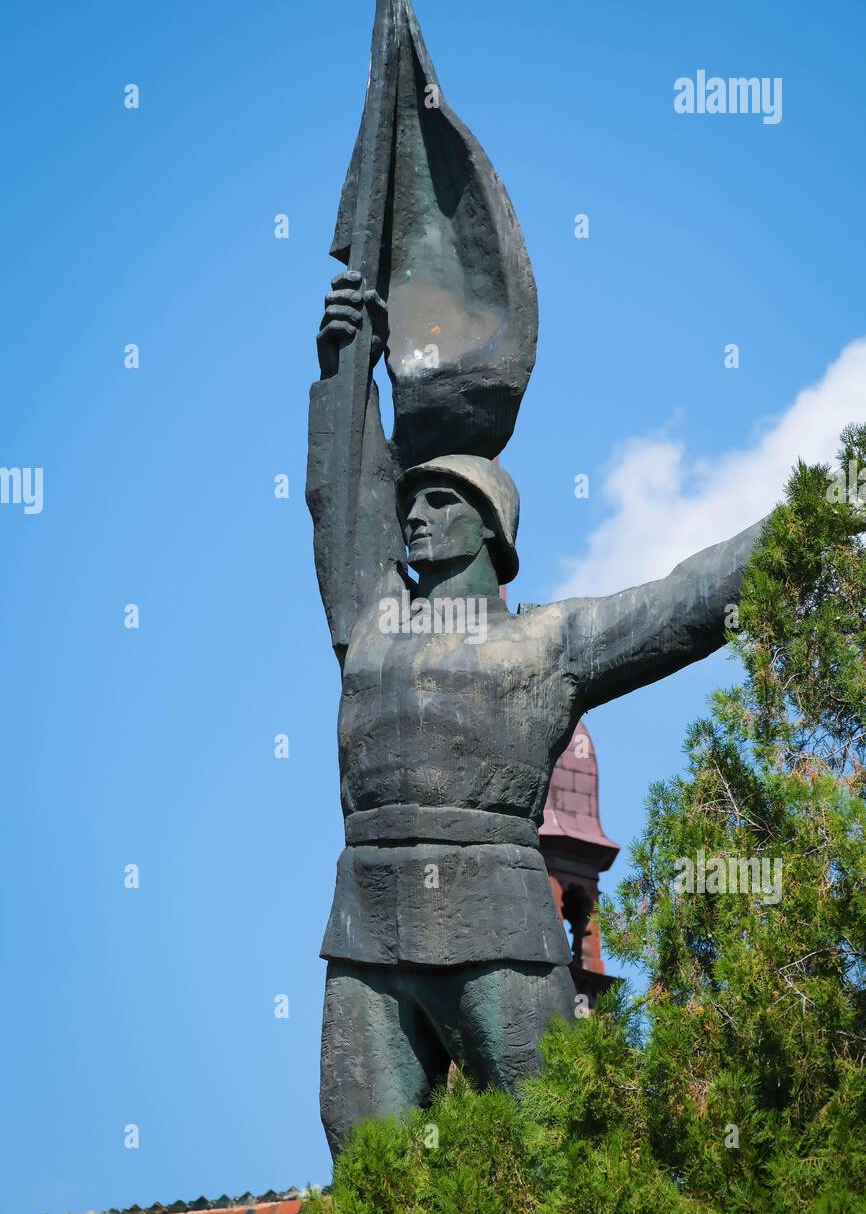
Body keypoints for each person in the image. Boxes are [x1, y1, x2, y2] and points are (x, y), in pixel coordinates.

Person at [307, 270, 764, 1158]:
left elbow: (688, 599)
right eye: (411, 502)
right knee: (365, 1164)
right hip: (368, 927)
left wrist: (815, 514)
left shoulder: (548, 643)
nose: (414, 515)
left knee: (550, 1154)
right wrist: (343, 371)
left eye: (440, 501)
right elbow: (341, 498)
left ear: (491, 529)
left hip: (499, 927)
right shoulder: (369, 618)